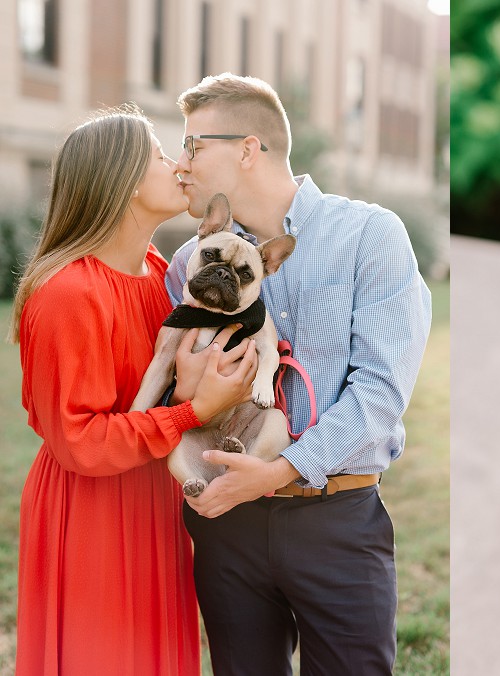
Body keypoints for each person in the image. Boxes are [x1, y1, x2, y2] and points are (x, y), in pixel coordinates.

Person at [165, 73, 432, 674]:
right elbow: (180, 387)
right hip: (224, 520)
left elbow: (381, 394)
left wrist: (278, 470)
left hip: (334, 518)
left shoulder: (370, 235)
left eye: (194, 146)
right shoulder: (190, 261)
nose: (181, 164)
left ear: (247, 149)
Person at [10, 105, 258, 675]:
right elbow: (79, 441)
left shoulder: (156, 274)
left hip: (154, 499)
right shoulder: (67, 293)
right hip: (91, 512)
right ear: (120, 180)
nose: (177, 166)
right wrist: (194, 411)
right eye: (159, 154)